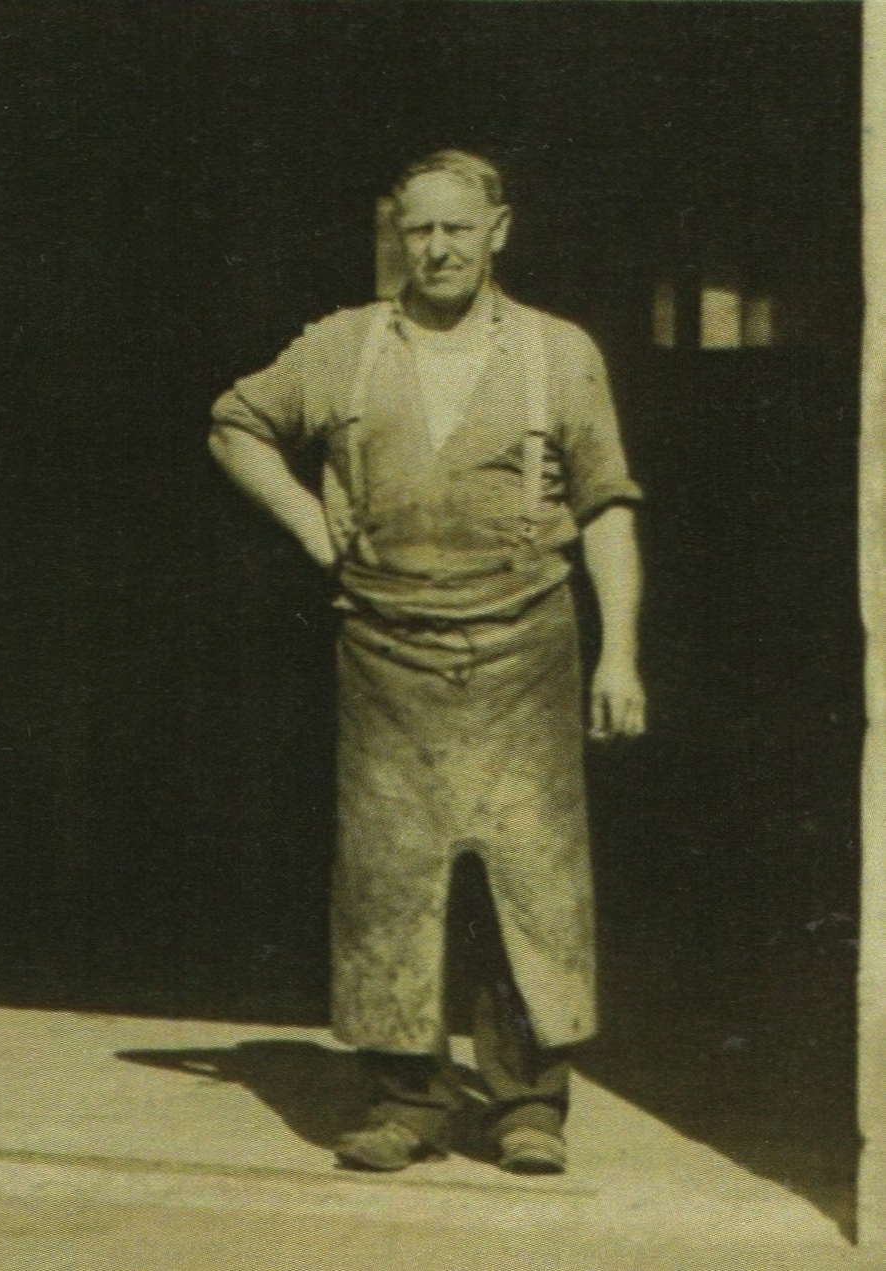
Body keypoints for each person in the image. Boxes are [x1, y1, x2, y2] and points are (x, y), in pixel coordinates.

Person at [208, 150, 645, 1174]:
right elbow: (234, 424)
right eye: (418, 231)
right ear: (395, 237)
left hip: (524, 650)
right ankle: (403, 1098)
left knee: (525, 877)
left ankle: (524, 1101)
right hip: (384, 651)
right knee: (388, 876)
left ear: (499, 228)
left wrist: (617, 653)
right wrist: (315, 528)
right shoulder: (340, 346)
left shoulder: (556, 352)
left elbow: (606, 508)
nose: (437, 248)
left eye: (456, 228)